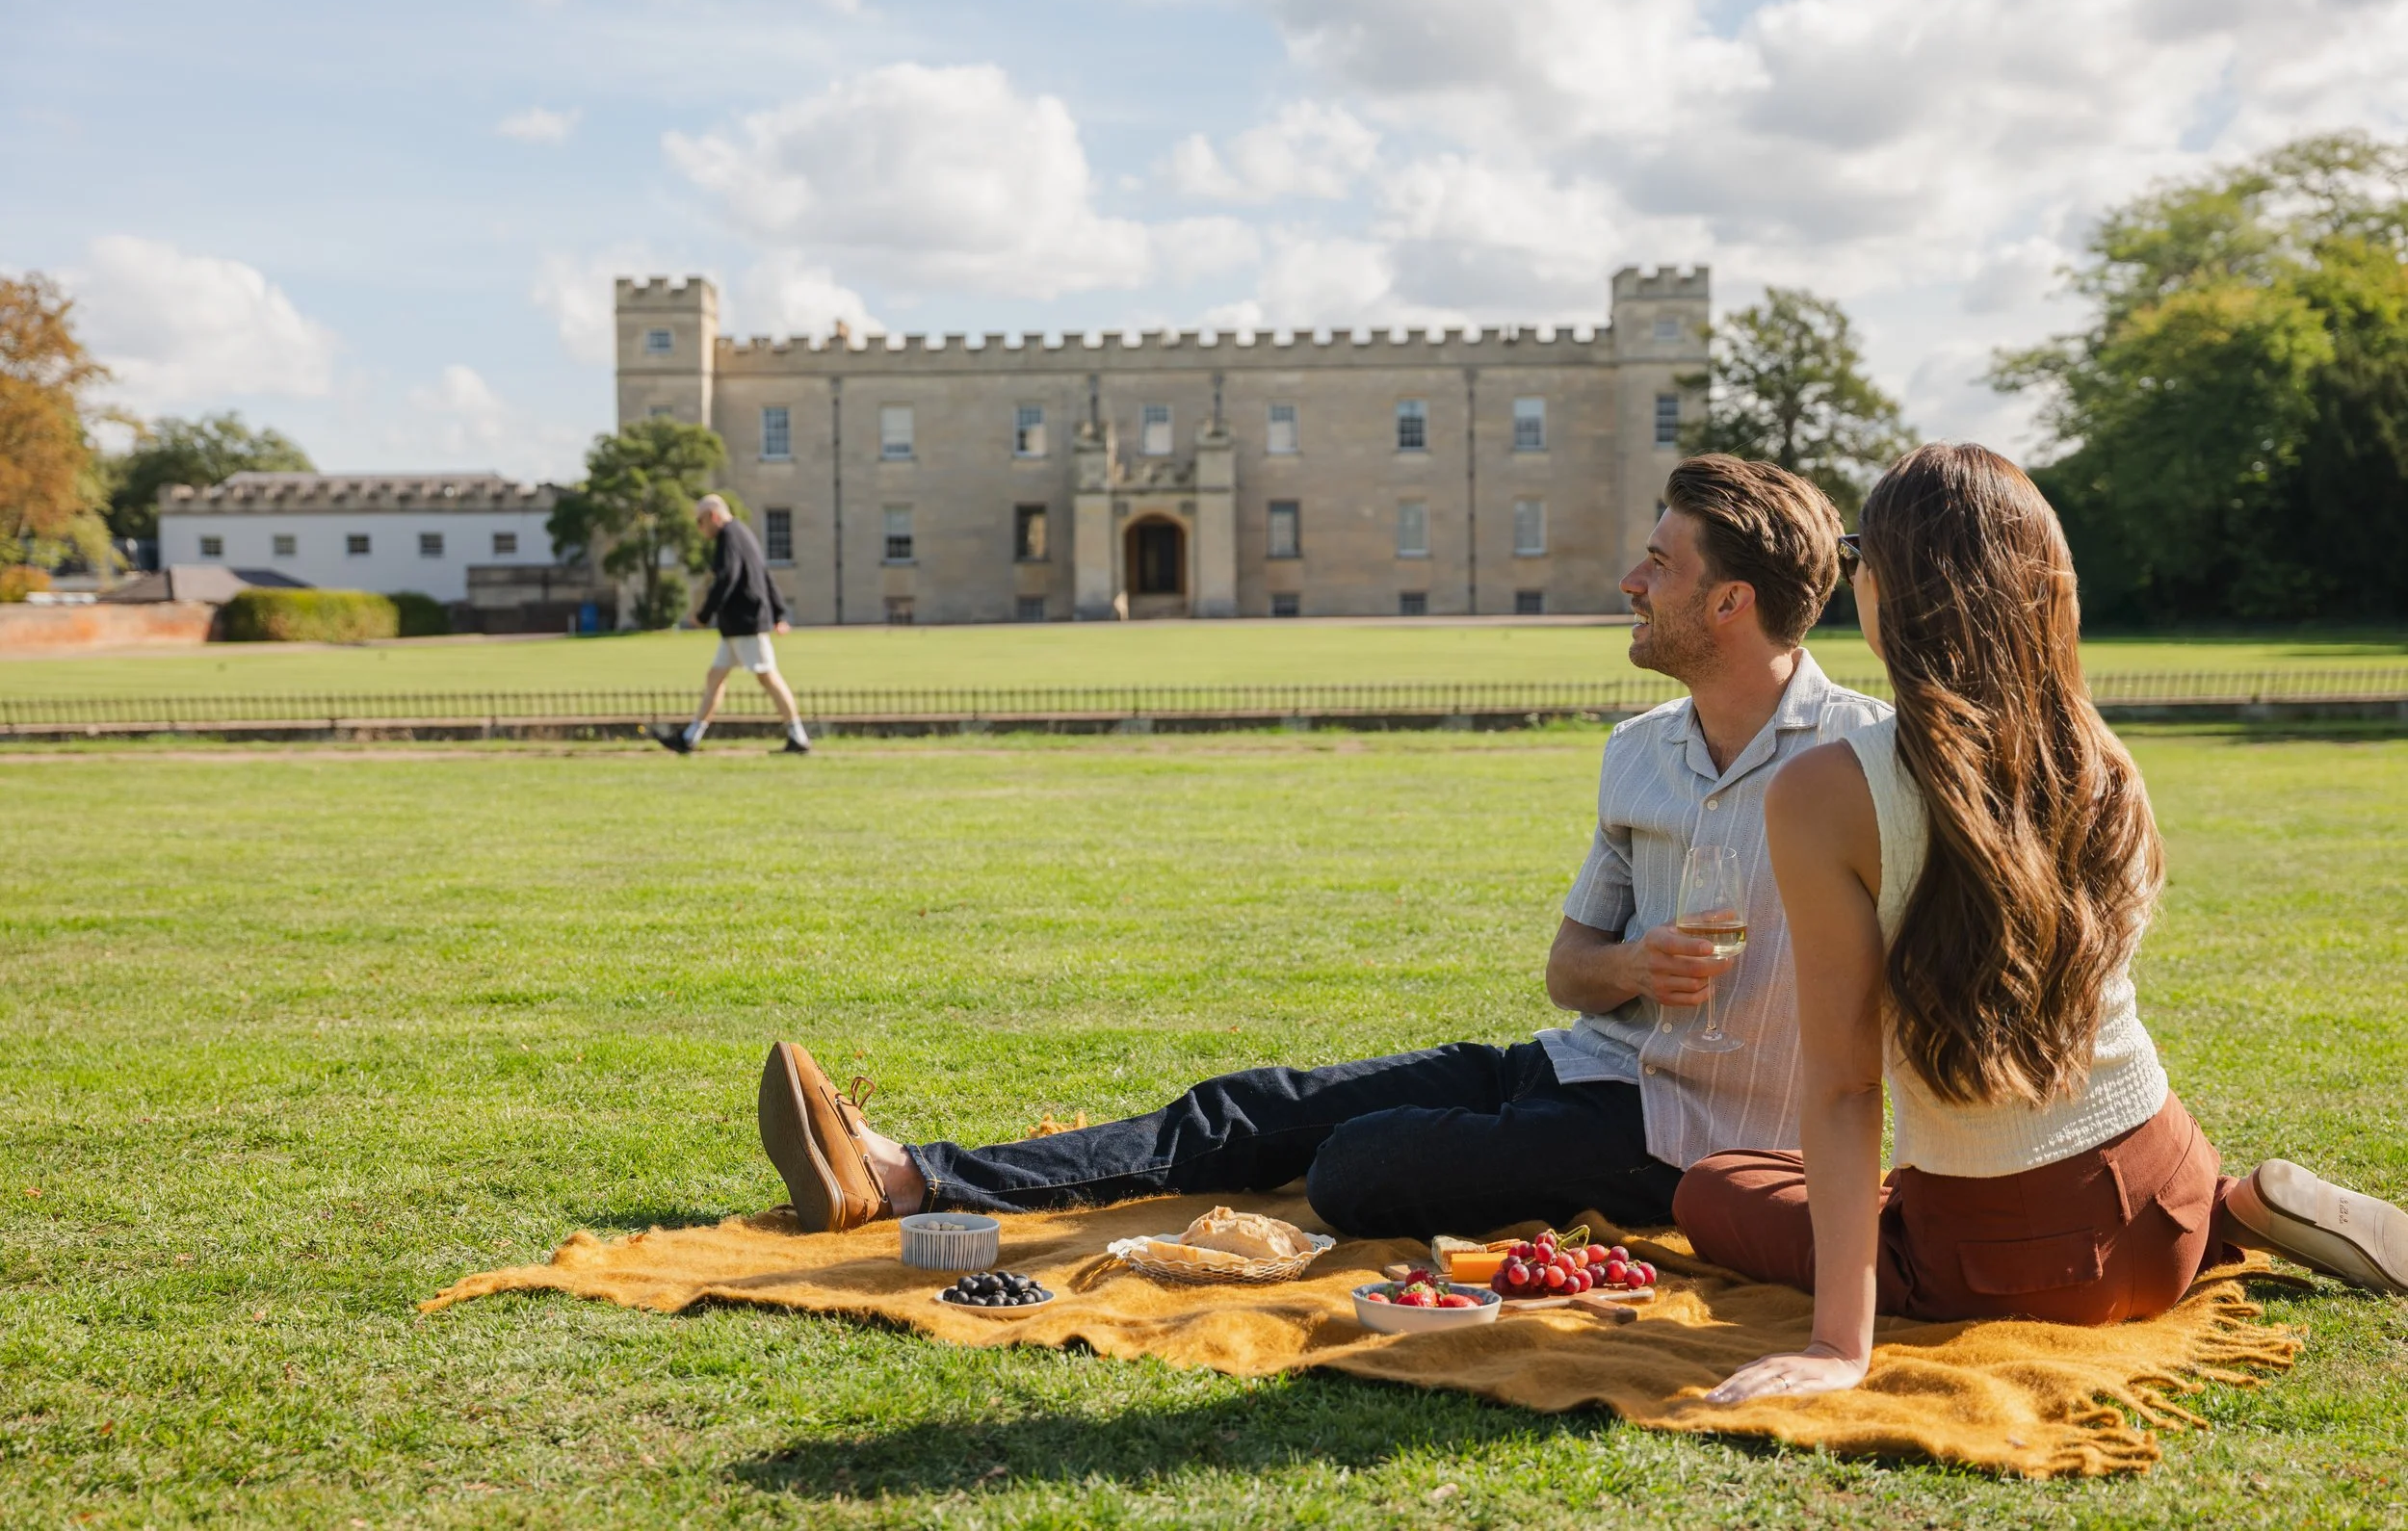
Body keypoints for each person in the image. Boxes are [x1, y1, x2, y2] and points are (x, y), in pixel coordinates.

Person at [755, 455, 1891, 1240]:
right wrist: (1634, 969)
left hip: (1695, 1140)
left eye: (1658, 563)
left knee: (1356, 1164)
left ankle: (925, 1179)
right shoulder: (1638, 750)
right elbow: (1566, 966)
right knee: (1258, 1104)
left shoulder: (1866, 761)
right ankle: (909, 1176)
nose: (1629, 581)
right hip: (1582, 1066)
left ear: (1733, 600)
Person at [1683, 443, 2406, 1408]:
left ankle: (2216, 1208)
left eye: (1859, 554)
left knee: (1715, 1181)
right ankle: (2237, 1206)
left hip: (2006, 1261)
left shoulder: (1824, 790)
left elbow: (1848, 1086)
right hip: (2167, 1198)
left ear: (1892, 585)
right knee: (1827, 1168)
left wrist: (1835, 1343)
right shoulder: (2096, 752)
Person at [653, 494, 811, 756]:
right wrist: (779, 612)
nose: (699, 527)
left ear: (714, 516)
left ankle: (799, 737)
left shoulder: (729, 537)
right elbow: (763, 573)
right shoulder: (743, 533)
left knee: (768, 677)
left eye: (700, 521)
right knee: (715, 677)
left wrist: (704, 614)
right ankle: (689, 738)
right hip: (738, 624)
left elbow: (727, 577)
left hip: (745, 622)